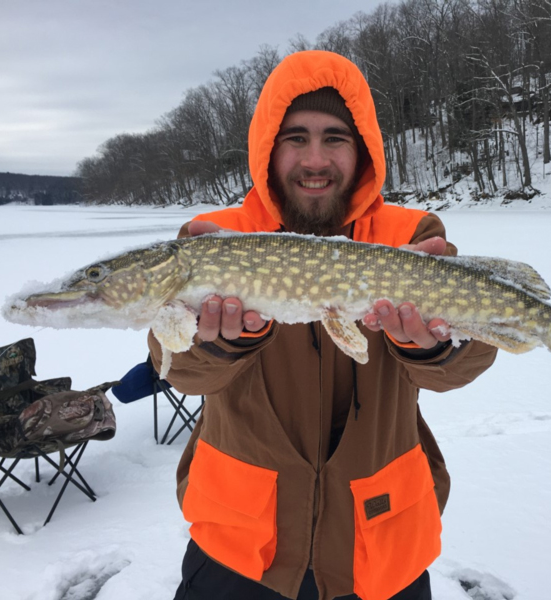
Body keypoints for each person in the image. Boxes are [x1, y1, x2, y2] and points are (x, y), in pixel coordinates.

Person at [149, 50, 498, 600]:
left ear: (362, 151)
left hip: (380, 537)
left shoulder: (407, 233)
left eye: (334, 138)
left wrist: (436, 350)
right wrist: (220, 347)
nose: (315, 159)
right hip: (242, 543)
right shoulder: (216, 237)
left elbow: (467, 358)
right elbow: (177, 367)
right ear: (268, 147)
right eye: (295, 138)